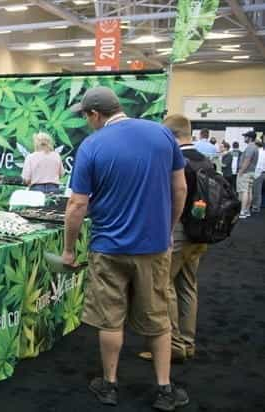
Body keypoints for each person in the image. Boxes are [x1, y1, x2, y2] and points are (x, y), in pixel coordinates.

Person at [62, 86, 188, 410]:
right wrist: (169, 229)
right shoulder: (162, 135)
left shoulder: (91, 145)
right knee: (158, 318)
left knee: (110, 320)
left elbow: (77, 205)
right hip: (154, 247)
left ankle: (109, 384)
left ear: (94, 114)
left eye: (86, 116)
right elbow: (180, 188)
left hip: (108, 247)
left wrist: (68, 250)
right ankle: (164, 389)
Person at [137, 114, 210, 364]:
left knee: (163, 287)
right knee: (188, 286)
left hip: (176, 231)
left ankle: (173, 344)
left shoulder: (175, 160)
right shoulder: (206, 161)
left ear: (170, 135)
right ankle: (187, 342)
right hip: (201, 232)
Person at [237, 131, 259, 219]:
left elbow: (247, 160)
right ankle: (246, 211)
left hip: (246, 172)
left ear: (249, 138)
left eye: (245, 136)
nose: (244, 138)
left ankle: (242, 211)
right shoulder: (255, 147)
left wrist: (241, 171)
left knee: (244, 191)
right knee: (249, 191)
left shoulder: (250, 147)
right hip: (251, 172)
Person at [253, 139, 265, 214]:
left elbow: (258, 165)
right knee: (259, 191)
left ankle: (256, 207)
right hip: (263, 172)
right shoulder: (263, 152)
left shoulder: (258, 152)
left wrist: (255, 174)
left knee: (256, 191)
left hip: (258, 173)